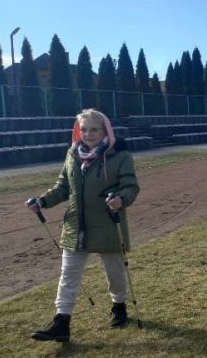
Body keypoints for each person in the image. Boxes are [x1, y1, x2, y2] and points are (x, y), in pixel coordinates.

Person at [28, 109, 140, 342]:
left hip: (108, 223)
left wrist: (121, 199)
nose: (88, 134)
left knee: (115, 272)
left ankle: (119, 306)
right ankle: (61, 322)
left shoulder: (120, 155)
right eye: (84, 129)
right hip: (76, 225)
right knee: (68, 274)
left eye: (94, 129)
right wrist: (42, 201)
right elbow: (62, 187)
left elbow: (130, 186)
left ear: (105, 131)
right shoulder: (72, 154)